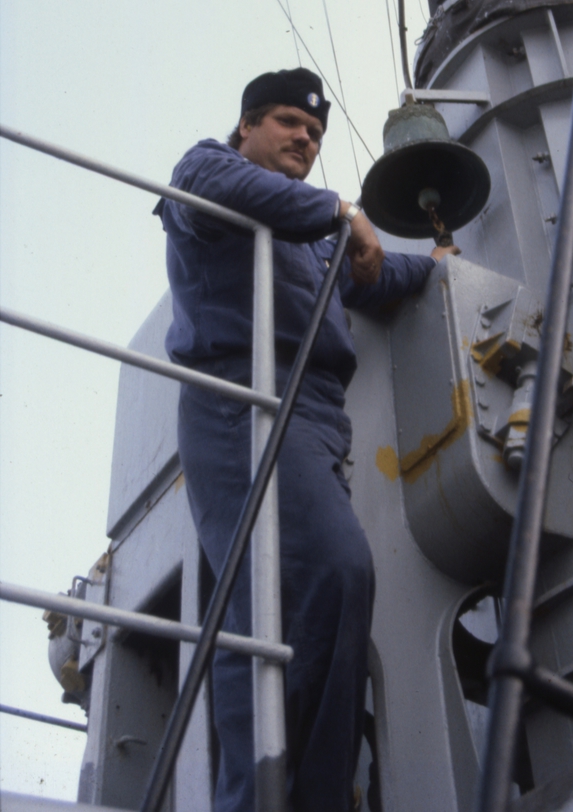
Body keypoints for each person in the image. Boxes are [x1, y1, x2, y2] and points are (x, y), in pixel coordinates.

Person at [158, 68, 457, 812]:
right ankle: (272, 797)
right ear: (246, 127)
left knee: (306, 598)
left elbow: (368, 277)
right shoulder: (206, 170)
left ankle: (303, 794)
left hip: (317, 420)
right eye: (290, 122)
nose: (305, 138)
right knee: (321, 574)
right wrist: (343, 211)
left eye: (316, 132)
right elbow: (230, 190)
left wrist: (434, 269)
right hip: (244, 403)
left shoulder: (315, 242)